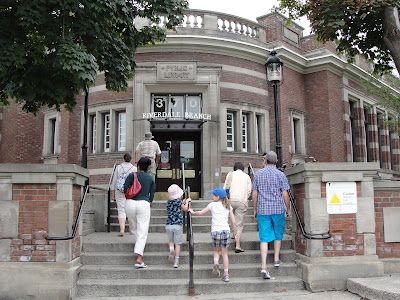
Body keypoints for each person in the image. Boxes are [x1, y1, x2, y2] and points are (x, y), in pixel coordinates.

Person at [252, 151, 292, 280]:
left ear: (265, 161)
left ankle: (263, 266)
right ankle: (276, 259)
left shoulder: (258, 174)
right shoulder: (280, 175)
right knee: (278, 234)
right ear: (276, 161)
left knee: (264, 238)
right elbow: (285, 194)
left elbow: (254, 194)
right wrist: (288, 209)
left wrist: (254, 209)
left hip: (263, 210)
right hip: (278, 209)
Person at [189, 188, 237, 283]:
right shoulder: (228, 206)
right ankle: (226, 274)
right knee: (224, 253)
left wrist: (192, 211)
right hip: (225, 231)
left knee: (216, 250)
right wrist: (235, 233)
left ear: (217, 196)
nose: (212, 196)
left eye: (213, 195)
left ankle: (216, 263)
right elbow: (234, 221)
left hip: (215, 231)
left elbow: (201, 212)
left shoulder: (212, 205)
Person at [124, 157, 156, 268]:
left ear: (138, 166)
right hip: (143, 204)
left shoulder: (132, 175)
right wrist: (150, 201)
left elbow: (124, 188)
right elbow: (152, 194)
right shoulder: (150, 178)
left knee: (137, 227)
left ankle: (138, 244)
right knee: (142, 230)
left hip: (129, 204)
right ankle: (139, 258)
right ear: (147, 168)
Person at [223, 162, 252, 253]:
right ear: (242, 169)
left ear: (234, 168)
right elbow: (249, 191)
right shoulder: (247, 176)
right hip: (241, 201)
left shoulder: (230, 175)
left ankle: (234, 234)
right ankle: (238, 245)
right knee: (239, 223)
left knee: (232, 219)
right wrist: (244, 198)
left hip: (230, 200)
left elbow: (225, 188)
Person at [165, 184, 191, 268]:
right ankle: (176, 261)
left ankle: (171, 249)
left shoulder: (168, 202)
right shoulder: (179, 202)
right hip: (178, 225)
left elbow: (174, 205)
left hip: (169, 224)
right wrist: (186, 202)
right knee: (178, 243)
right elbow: (185, 208)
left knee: (171, 241)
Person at [111, 153, 136, 237]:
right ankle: (131, 230)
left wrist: (113, 192)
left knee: (121, 209)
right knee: (131, 210)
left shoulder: (118, 167)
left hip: (120, 191)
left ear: (124, 159)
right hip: (130, 191)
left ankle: (122, 230)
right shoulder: (134, 168)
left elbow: (114, 180)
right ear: (131, 159)